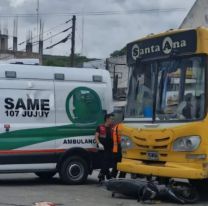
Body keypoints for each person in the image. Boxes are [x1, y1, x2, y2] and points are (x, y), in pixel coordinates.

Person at [95, 113, 114, 182]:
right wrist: (99, 144)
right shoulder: (100, 127)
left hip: (110, 148)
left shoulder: (113, 127)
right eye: (111, 119)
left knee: (108, 163)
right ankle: (106, 176)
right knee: (104, 162)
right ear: (107, 119)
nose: (112, 120)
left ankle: (102, 175)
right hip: (102, 148)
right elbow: (96, 137)